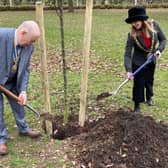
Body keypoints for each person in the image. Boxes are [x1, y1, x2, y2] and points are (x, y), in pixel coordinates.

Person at [0, 20, 41, 155]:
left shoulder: (28, 47)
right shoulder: (2, 36)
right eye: (32, 40)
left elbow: (26, 69)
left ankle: (23, 129)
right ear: (23, 32)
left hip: (11, 80)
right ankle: (1, 140)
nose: (32, 43)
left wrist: (23, 90)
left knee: (19, 104)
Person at [124, 6, 167, 113]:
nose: (135, 23)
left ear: (142, 19)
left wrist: (158, 51)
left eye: (136, 20)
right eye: (132, 21)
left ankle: (149, 97)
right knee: (138, 83)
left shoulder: (154, 25)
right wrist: (129, 70)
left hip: (151, 59)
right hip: (138, 61)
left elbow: (163, 40)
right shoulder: (131, 34)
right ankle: (137, 105)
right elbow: (128, 54)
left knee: (149, 80)